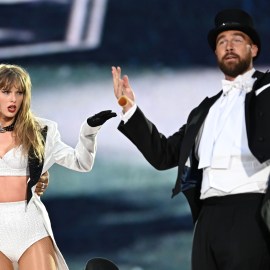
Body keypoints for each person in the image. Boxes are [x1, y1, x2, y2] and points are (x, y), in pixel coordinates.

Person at [112, 8, 270, 270]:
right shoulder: (203, 112)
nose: (228, 46)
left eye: (237, 39)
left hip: (251, 213)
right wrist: (129, 109)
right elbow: (162, 155)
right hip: (207, 220)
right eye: (221, 42)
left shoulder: (267, 91)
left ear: (254, 49)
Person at [0, 63, 116, 270]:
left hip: (30, 226)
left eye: (19, 92)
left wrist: (88, 132)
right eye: (6, 91)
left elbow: (81, 162)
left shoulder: (42, 131)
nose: (13, 99)